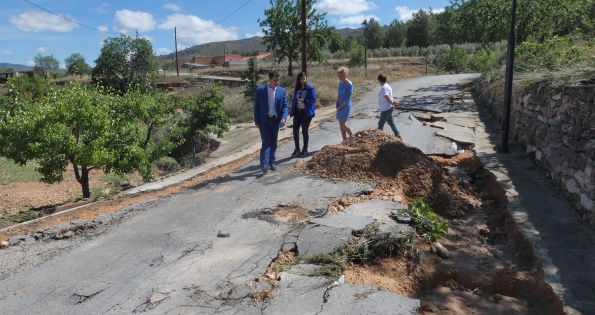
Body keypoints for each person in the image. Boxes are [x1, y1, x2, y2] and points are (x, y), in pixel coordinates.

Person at [254, 70, 288, 174]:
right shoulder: (260, 90)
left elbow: (285, 106)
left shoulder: (282, 91)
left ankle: (272, 162)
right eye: (275, 80)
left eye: (278, 80)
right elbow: (256, 107)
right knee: (266, 143)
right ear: (269, 79)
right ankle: (264, 165)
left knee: (274, 142)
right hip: (264, 121)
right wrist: (257, 121)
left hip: (275, 120)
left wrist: (284, 117)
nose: (277, 82)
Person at [290, 72, 317, 157]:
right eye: (301, 79)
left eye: (304, 79)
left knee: (304, 131)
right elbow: (295, 98)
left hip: (306, 112)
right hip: (298, 112)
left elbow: (314, 99)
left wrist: (305, 101)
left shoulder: (310, 88)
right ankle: (297, 149)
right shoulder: (297, 88)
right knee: (295, 131)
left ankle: (305, 149)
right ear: (299, 80)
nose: (303, 80)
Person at [377, 73, 401, 138]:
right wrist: (393, 102)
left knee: (380, 124)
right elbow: (389, 97)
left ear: (379, 80)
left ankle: (378, 137)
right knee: (391, 123)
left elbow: (387, 97)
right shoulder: (387, 86)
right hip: (389, 108)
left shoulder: (384, 88)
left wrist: (392, 102)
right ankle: (398, 135)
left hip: (386, 109)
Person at [335, 66, 353, 140]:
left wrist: (341, 106)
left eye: (341, 76)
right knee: (341, 124)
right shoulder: (341, 83)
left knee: (343, 123)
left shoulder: (349, 85)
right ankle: (344, 140)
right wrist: (337, 103)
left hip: (345, 106)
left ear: (345, 75)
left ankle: (352, 137)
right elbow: (339, 94)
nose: (340, 77)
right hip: (340, 105)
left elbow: (347, 98)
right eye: (339, 76)